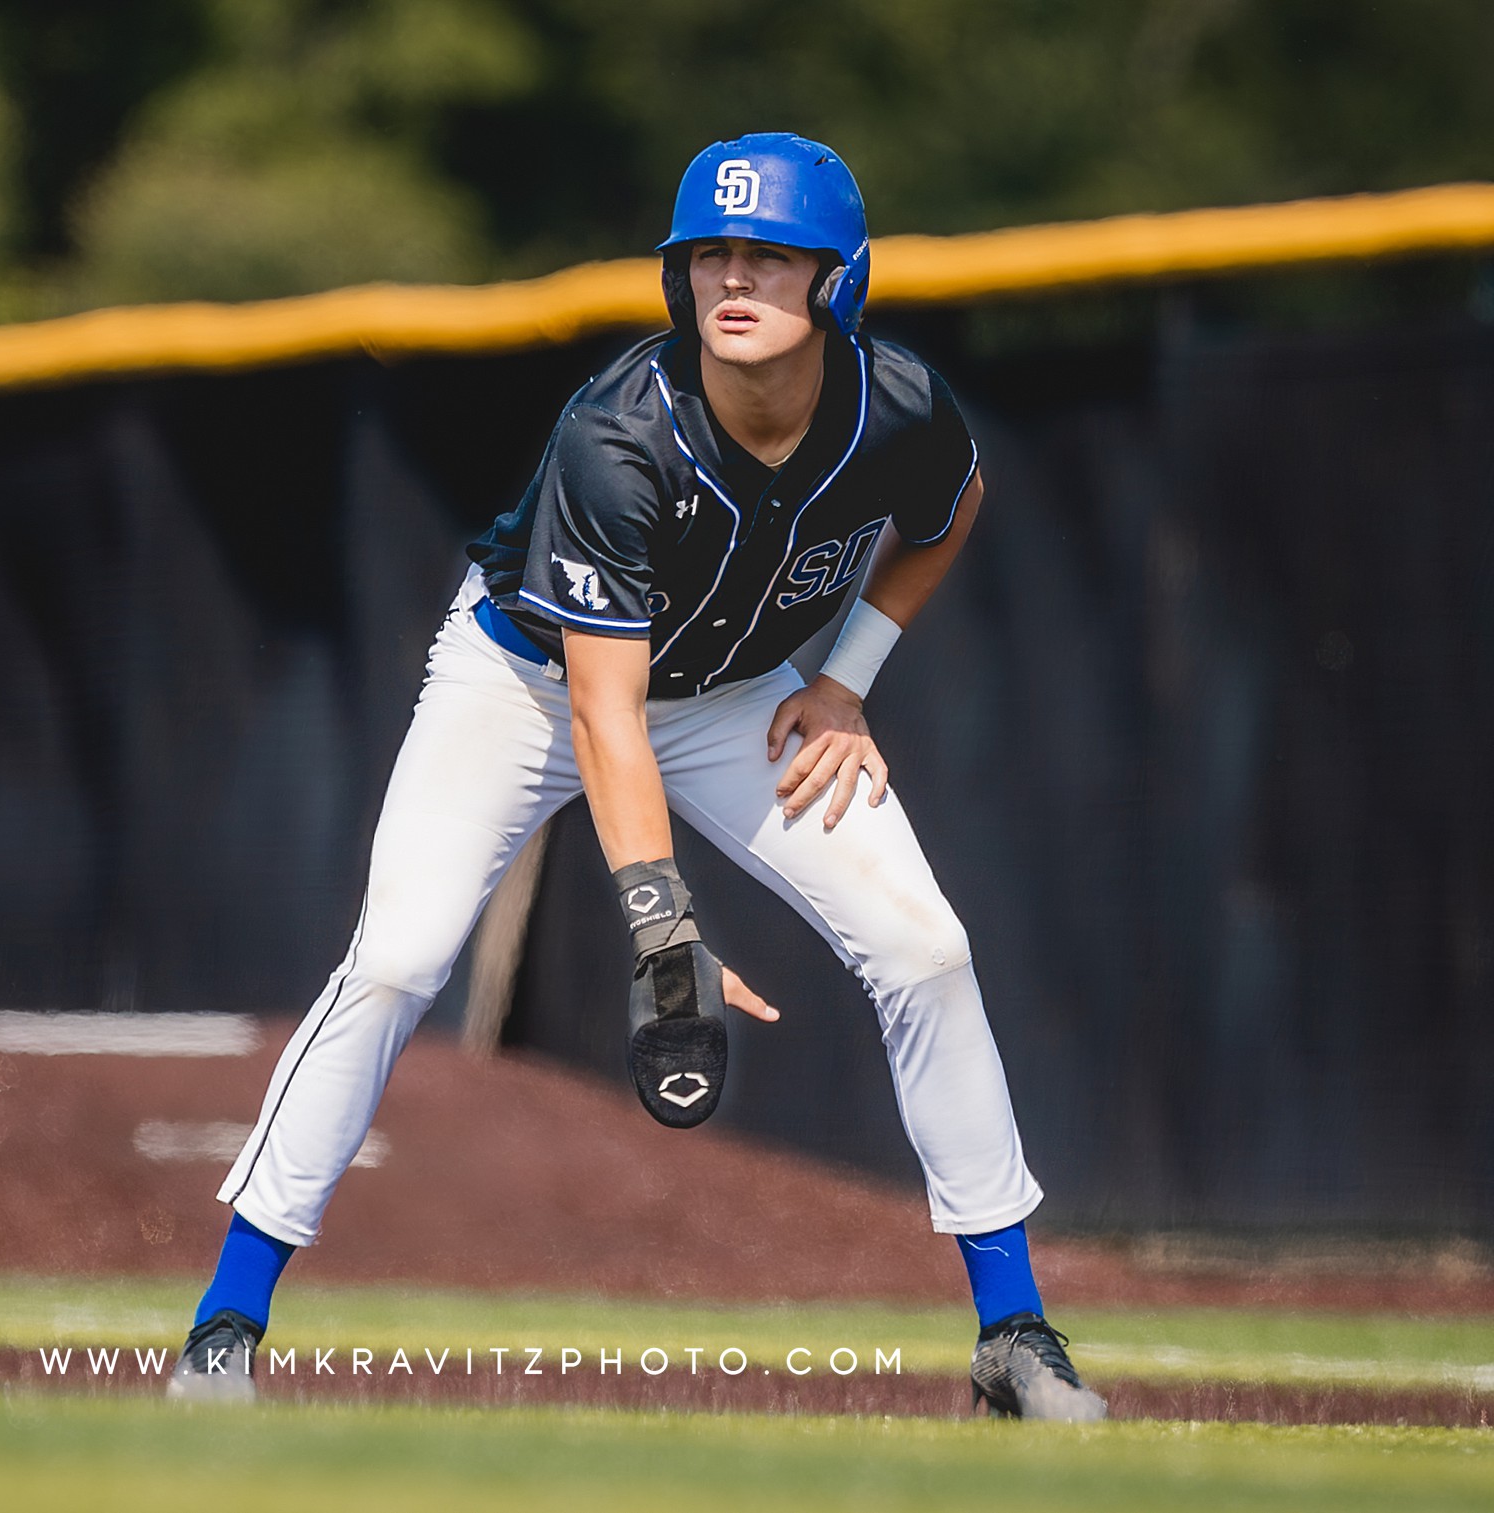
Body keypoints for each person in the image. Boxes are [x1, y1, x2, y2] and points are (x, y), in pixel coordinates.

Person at [167, 133, 1106, 1422]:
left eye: (771, 256)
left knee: (927, 949)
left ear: (838, 278)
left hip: (733, 699)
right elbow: (606, 715)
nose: (735, 277)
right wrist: (667, 935)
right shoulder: (620, 433)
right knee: (395, 960)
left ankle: (1015, 1331)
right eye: (709, 253)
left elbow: (950, 510)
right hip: (528, 689)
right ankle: (227, 1320)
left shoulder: (895, 406)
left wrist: (848, 681)